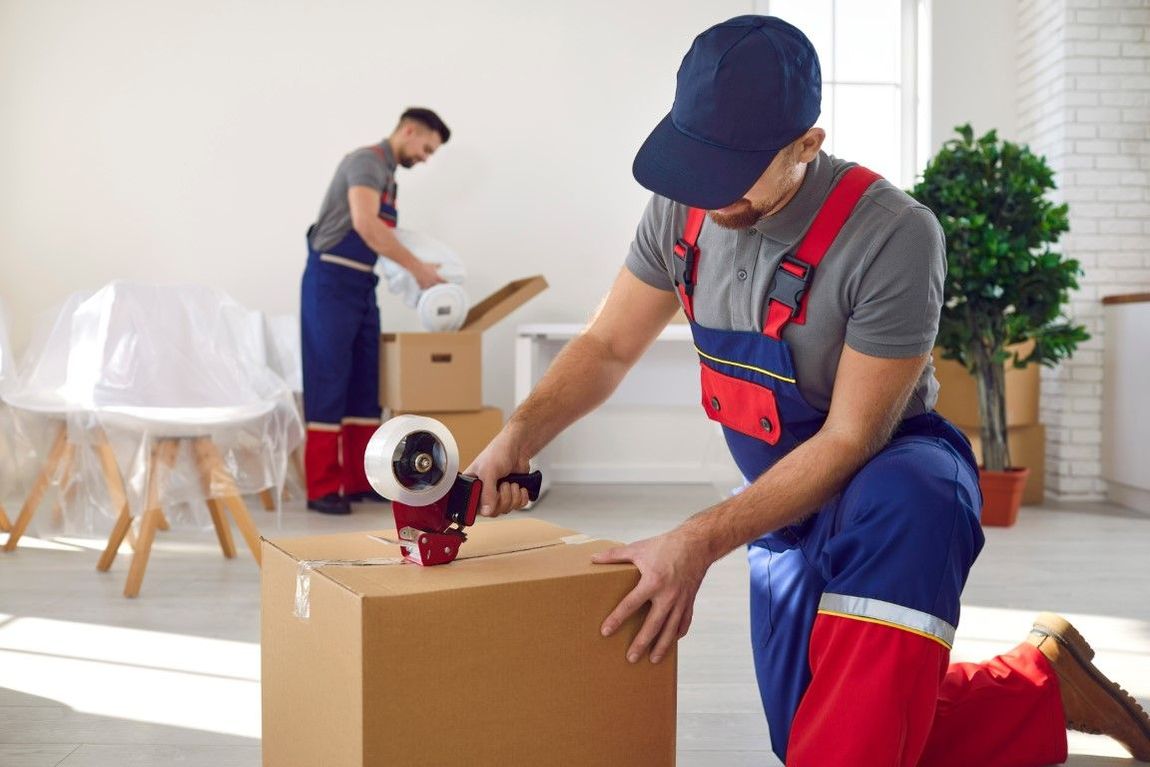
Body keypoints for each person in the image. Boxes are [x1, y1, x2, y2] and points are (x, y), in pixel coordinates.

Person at [468, 16, 1150, 766]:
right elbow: (605, 345)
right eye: (696, 160)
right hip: (786, 507)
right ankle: (1042, 687)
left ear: (806, 146)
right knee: (815, 734)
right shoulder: (682, 206)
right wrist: (518, 434)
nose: (706, 190)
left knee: (849, 729)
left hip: (893, 486)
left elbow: (852, 437)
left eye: (731, 168)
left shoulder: (893, 234)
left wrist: (696, 539)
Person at [302, 107, 449, 515]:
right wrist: (417, 270)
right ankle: (322, 486)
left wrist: (420, 272)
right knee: (329, 378)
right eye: (427, 147)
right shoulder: (365, 162)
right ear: (409, 130)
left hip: (362, 284)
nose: (425, 157)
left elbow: (382, 241)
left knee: (366, 382)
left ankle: (358, 480)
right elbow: (367, 226)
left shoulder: (389, 179)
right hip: (330, 280)